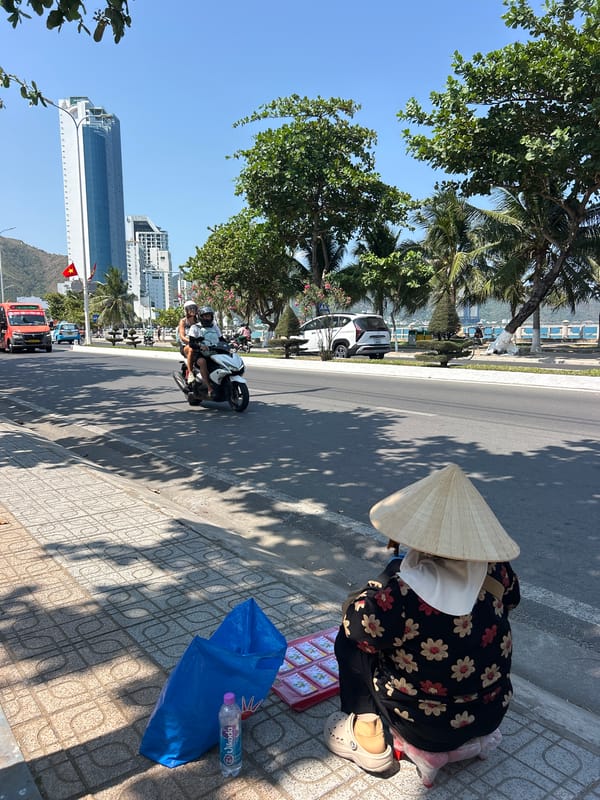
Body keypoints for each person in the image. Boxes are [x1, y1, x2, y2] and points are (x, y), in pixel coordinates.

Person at [325, 464, 520, 786]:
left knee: (350, 641)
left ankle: (367, 731)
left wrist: (370, 593)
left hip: (424, 726)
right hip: (491, 711)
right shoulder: (497, 572)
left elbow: (356, 628)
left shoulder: (399, 595)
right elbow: (511, 603)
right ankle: (472, 735)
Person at [186, 305, 223, 396]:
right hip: (200, 354)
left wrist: (231, 343)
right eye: (205, 316)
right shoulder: (195, 327)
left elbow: (221, 339)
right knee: (202, 362)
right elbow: (191, 343)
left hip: (214, 351)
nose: (208, 318)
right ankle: (209, 388)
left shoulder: (214, 327)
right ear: (201, 317)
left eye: (209, 316)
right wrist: (200, 346)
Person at [178, 301, 200, 384]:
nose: (192, 310)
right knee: (191, 349)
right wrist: (192, 342)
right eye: (190, 308)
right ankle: (190, 373)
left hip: (200, 344)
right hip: (186, 345)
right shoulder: (183, 321)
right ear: (186, 310)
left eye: (194, 308)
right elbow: (182, 337)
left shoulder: (199, 321)